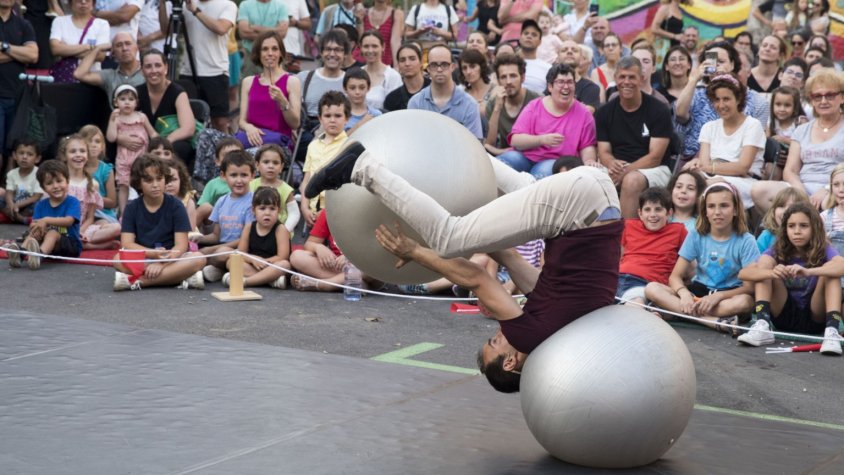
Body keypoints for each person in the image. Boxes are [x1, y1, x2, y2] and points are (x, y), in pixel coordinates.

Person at [303, 142, 623, 393]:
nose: (498, 333)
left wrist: (475, 229)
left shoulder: (555, 322)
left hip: (596, 196)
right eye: (494, 343)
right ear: (511, 362)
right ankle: (362, 168)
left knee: (496, 198)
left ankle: (459, 148)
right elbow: (477, 276)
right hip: (578, 208)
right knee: (449, 239)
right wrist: (416, 250)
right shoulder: (528, 337)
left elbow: (509, 257)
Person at [645, 182, 759, 333]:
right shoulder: (696, 235)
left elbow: (749, 288)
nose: (717, 212)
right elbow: (675, 277)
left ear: (736, 210)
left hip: (728, 295)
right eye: (711, 206)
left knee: (745, 302)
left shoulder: (746, 240)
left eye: (724, 206)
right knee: (652, 288)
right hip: (698, 292)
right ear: (705, 211)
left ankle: (678, 313)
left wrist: (719, 296)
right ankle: (712, 321)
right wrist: (684, 294)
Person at [738, 203, 844, 354]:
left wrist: (809, 272)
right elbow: (743, 274)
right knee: (765, 265)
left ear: (814, 228)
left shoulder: (824, 248)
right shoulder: (778, 248)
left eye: (804, 226)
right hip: (783, 315)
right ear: (785, 229)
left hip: (815, 316)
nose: (797, 231)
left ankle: (832, 332)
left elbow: (842, 265)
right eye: (791, 226)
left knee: (830, 272)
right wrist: (773, 272)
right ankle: (762, 324)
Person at [751, 70, 844, 212]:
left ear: (842, 97)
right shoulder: (802, 130)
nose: (823, 101)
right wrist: (800, 192)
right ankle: (788, 229)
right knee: (759, 190)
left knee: (827, 204)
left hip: (837, 187)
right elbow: (790, 170)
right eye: (817, 96)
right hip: (802, 185)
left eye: (830, 95)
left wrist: (828, 188)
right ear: (811, 100)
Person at [113, 154, 206, 290]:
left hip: (173, 258)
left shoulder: (176, 206)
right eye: (149, 180)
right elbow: (127, 243)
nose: (155, 185)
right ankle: (178, 277)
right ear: (138, 183)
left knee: (199, 258)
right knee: (117, 258)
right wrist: (153, 254)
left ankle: (138, 281)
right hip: (145, 256)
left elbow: (181, 245)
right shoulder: (132, 208)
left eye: (159, 179)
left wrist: (162, 263)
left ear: (165, 179)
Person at [596, 56, 673, 218]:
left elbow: (655, 157)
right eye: (622, 77)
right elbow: (603, 151)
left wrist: (625, 172)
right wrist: (611, 163)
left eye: (632, 77)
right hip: (617, 166)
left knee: (631, 181)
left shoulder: (659, 110)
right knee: (586, 177)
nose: (627, 82)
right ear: (615, 78)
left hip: (654, 169)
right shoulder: (604, 112)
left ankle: (626, 238)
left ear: (641, 78)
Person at [682, 74, 766, 209]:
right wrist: (703, 167)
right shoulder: (709, 127)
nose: (721, 105)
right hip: (712, 177)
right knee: (684, 181)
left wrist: (711, 167)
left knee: (707, 187)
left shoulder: (752, 125)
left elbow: (742, 167)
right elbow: (704, 164)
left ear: (738, 99)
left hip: (744, 181)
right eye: (716, 100)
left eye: (726, 99)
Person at [499, 64, 598, 179]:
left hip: (556, 161)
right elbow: (515, 140)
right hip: (524, 156)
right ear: (550, 87)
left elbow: (587, 146)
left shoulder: (583, 113)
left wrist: (589, 161)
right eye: (561, 82)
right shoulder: (534, 106)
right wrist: (542, 139)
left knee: (543, 173)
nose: (566, 86)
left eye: (570, 82)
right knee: (504, 163)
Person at [674, 41, 767, 160]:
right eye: (711, 62)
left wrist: (726, 81)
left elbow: (757, 140)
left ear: (732, 64)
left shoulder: (757, 100)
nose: (716, 66)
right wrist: (694, 79)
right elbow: (680, 114)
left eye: (721, 62)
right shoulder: (696, 94)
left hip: (733, 160)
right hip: (693, 160)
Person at [161, 0, 237, 132]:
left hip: (215, 71)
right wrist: (162, 4)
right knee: (189, 118)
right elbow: (165, 29)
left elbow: (221, 28)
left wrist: (195, 11)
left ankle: (223, 150)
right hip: (188, 71)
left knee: (219, 121)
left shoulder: (227, 5)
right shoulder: (184, 5)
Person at [192, 150, 256, 282]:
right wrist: (199, 239)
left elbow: (247, 238)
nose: (239, 180)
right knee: (197, 253)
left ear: (252, 176)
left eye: (244, 175)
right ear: (223, 176)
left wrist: (214, 248)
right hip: (223, 248)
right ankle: (221, 270)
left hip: (245, 249)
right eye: (233, 175)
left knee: (216, 254)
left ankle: (219, 269)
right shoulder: (221, 201)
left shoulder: (253, 202)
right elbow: (216, 235)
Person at [617, 187, 687, 306]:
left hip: (647, 284)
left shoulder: (678, 231)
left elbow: (688, 266)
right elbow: (619, 256)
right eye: (647, 210)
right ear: (640, 213)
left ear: (669, 213)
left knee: (635, 303)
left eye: (658, 209)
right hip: (617, 278)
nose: (652, 215)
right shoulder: (629, 226)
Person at [7, 160, 81, 269]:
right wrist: (36, 229)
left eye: (59, 181)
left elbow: (69, 221)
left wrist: (46, 220)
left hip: (71, 245)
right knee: (35, 231)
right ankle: (20, 254)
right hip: (49, 246)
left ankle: (38, 256)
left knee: (52, 232)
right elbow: (34, 223)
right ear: (43, 188)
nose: (55, 186)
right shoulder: (41, 205)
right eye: (49, 183)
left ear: (67, 181)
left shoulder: (73, 202)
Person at [235, 31, 301, 153]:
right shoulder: (248, 82)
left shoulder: (291, 81)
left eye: (274, 49)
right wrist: (249, 128)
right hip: (250, 138)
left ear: (281, 53)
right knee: (209, 137)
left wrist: (283, 101)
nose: (270, 53)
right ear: (258, 54)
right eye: (265, 49)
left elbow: (295, 124)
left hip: (277, 144)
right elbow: (242, 121)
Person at [135, 49, 197, 168]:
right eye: (148, 66)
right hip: (145, 140)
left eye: (158, 65)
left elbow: (188, 128)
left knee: (179, 148)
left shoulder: (177, 92)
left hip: (172, 141)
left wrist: (163, 144)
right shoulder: (137, 93)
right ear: (142, 71)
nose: (153, 71)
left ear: (166, 68)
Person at [407, 44, 483, 140]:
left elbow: (474, 146)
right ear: (428, 68)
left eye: (444, 65)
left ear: (452, 67)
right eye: (434, 65)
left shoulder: (469, 105)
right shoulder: (416, 103)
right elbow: (412, 141)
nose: (439, 69)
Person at [221, 186, 291, 289]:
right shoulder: (249, 227)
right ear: (254, 210)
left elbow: (282, 257)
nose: (267, 213)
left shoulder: (280, 229)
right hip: (253, 265)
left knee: (285, 264)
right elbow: (241, 253)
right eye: (262, 208)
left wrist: (263, 262)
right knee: (231, 262)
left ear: (278, 211)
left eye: (272, 209)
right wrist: (253, 260)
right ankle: (270, 280)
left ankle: (246, 282)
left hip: (272, 265)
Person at [59, 134, 121, 248]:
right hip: (61, 228)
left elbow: (90, 217)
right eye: (73, 151)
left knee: (117, 228)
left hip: (83, 228)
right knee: (56, 236)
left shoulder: (93, 185)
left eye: (82, 151)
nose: (78, 155)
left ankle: (79, 242)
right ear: (64, 156)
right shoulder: (59, 182)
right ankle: (96, 246)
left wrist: (80, 231)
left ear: (87, 155)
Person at [296, 29, 348, 162]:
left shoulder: (350, 81)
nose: (332, 54)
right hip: (307, 133)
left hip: (340, 135)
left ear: (345, 53)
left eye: (338, 50)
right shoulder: (304, 78)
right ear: (321, 52)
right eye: (328, 49)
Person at [300, 91, 350, 227]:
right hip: (314, 210)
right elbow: (306, 181)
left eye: (338, 115)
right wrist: (304, 208)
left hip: (338, 211)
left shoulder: (350, 145)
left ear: (347, 118)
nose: (332, 120)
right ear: (320, 118)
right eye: (327, 116)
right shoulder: (313, 145)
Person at [108, 84, 158, 215]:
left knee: (142, 182)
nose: (127, 102)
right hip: (124, 159)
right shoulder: (117, 119)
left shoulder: (141, 117)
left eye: (131, 99)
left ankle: (144, 210)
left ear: (136, 102)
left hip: (141, 158)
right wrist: (112, 120)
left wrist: (159, 144)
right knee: (123, 186)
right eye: (123, 99)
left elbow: (152, 133)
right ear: (115, 102)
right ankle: (124, 213)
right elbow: (111, 137)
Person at [0, 0, 38, 157]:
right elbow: (26, 54)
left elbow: (33, 55)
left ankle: (10, 182)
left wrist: (4, 46)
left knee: (15, 148)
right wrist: (19, 54)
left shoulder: (23, 24)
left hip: (18, 95)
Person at [483, 52, 539, 156]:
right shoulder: (494, 103)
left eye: (513, 76)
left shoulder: (537, 101)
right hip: (507, 158)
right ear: (499, 81)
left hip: (533, 156)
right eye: (503, 77)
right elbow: (489, 144)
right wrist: (497, 109)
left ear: (522, 77)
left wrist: (501, 151)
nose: (508, 81)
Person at [48, 0, 110, 83]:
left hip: (91, 79)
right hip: (64, 79)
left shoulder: (102, 24)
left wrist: (66, 50)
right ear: (71, 3)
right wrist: (88, 47)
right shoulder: (59, 21)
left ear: (93, 3)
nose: (83, 2)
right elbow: (55, 49)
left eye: (87, 0)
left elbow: (100, 56)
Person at [74, 31, 144, 102]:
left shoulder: (147, 71)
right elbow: (79, 74)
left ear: (136, 47)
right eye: (119, 45)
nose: (124, 48)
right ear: (113, 52)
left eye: (128, 44)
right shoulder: (109, 76)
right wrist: (97, 49)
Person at [289, 208, 347, 292]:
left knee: (365, 269)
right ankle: (349, 282)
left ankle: (322, 284)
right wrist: (318, 247)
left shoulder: (368, 212)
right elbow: (309, 245)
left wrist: (350, 258)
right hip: (336, 265)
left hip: (359, 265)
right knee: (296, 256)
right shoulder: (329, 211)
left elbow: (371, 254)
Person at [249, 143, 298, 233]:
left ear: (281, 167)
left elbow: (294, 214)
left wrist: (285, 230)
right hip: (255, 231)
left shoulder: (286, 189)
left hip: (279, 232)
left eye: (275, 163)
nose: (271, 166)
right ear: (257, 165)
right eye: (266, 162)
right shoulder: (250, 186)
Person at [195, 137, 244, 226]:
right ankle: (187, 234)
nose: (232, 159)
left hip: (239, 221)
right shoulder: (213, 184)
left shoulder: (246, 181)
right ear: (217, 161)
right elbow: (202, 206)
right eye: (226, 155)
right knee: (205, 207)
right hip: (216, 222)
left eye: (236, 155)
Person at [236, 0, 289, 77]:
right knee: (249, 86)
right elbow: (243, 32)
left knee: (277, 87)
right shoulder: (245, 5)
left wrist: (255, 27)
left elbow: (282, 33)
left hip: (274, 57)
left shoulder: (281, 6)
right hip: (251, 56)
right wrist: (275, 30)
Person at [78, 125, 118, 222]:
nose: (94, 145)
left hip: (101, 213)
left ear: (102, 146)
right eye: (89, 141)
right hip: (79, 212)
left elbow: (112, 202)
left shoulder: (106, 169)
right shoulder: (76, 166)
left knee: (108, 227)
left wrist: (90, 198)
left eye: (97, 141)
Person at [767, 86, 807, 180]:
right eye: (778, 104)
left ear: (795, 107)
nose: (782, 109)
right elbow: (766, 143)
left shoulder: (800, 122)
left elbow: (806, 144)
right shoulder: (771, 123)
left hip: (796, 162)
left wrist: (785, 140)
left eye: (787, 105)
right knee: (769, 170)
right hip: (777, 161)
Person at [1, 138, 42, 223]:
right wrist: (11, 204)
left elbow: (36, 196)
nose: (24, 157)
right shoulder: (12, 173)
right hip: (14, 204)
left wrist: (17, 205)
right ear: (14, 155)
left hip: (28, 205)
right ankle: (16, 217)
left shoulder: (39, 173)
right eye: (21, 153)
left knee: (39, 204)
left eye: (30, 154)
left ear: (37, 158)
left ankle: (17, 217)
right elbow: (9, 193)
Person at [757, 187, 811, 252]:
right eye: (781, 206)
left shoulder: (810, 236)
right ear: (773, 210)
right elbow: (756, 260)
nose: (785, 211)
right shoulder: (766, 237)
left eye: (792, 207)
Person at [359, 30, 401, 111]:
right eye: (366, 46)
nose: (370, 50)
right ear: (360, 48)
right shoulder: (356, 74)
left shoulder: (392, 76)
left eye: (374, 46)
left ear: (383, 47)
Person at [383, 42, 430, 112]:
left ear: (421, 62)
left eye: (412, 59)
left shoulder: (434, 89)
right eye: (402, 60)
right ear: (398, 65)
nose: (407, 64)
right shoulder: (392, 99)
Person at [355, 0, 403, 66]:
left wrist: (396, 66)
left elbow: (395, 42)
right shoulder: (364, 13)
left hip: (387, 62)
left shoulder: (396, 14)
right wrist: (359, 21)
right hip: (366, 61)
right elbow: (361, 41)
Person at [557, 39, 599, 112]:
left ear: (580, 59)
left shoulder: (591, 88)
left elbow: (584, 115)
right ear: (557, 58)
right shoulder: (551, 84)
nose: (569, 51)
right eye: (564, 50)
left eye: (574, 50)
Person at [457, 48, 496, 117]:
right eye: (464, 68)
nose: (468, 72)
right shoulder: (461, 96)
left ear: (481, 67)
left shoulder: (495, 91)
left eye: (472, 66)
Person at [164, 159, 199, 232]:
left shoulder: (188, 202)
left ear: (181, 180)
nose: (170, 184)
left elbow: (191, 230)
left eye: (174, 179)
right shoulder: (154, 201)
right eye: (166, 180)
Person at [517, 19, 550, 95]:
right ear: (520, 38)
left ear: (540, 42)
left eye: (534, 35)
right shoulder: (508, 63)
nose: (529, 36)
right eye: (526, 33)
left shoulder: (548, 68)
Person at [343, 68, 381, 134]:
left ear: (368, 88)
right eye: (352, 88)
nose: (357, 92)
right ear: (345, 89)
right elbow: (338, 142)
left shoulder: (376, 115)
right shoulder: (340, 115)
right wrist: (360, 124)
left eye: (362, 88)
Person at [668, 169, 706, 234]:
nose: (683, 191)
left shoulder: (699, 226)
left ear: (698, 195)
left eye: (690, 188)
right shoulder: (661, 218)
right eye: (679, 186)